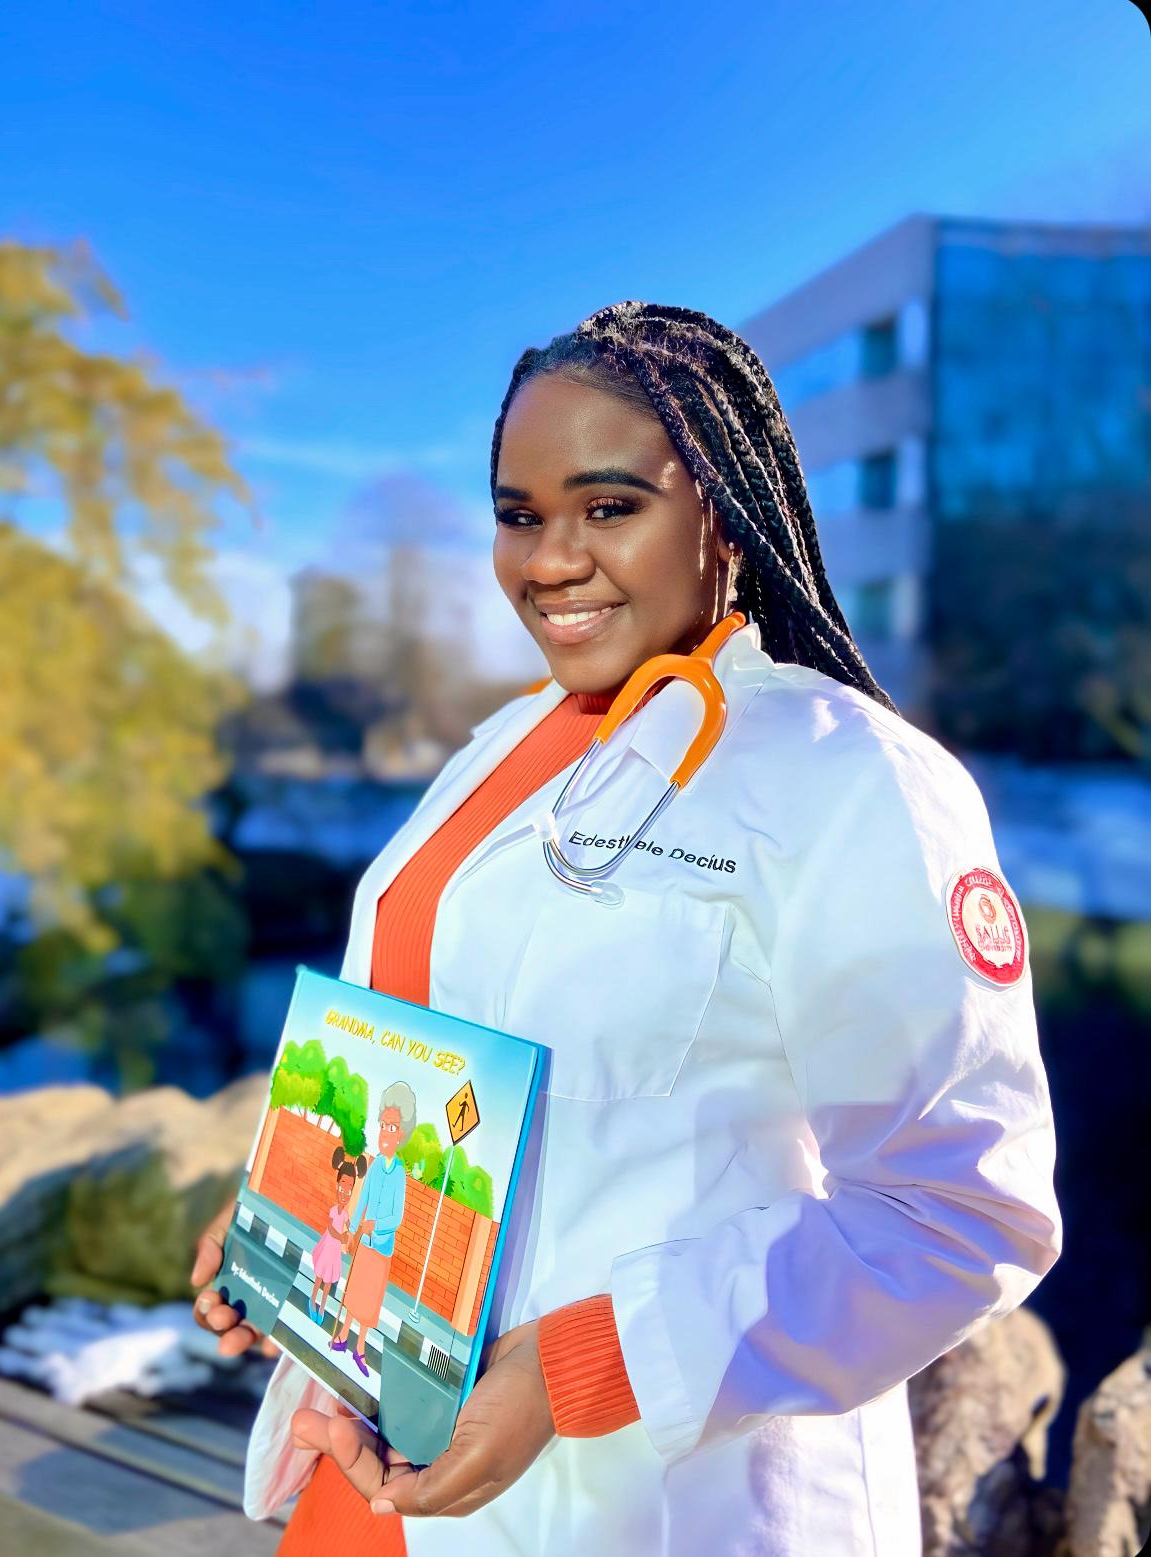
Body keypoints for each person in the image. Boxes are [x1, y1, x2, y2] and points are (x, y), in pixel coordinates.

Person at [192, 302, 1061, 1556]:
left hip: (642, 1504)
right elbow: (431, 1051)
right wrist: (297, 1214)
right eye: (520, 514)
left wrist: (577, 1370)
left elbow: (960, 1215)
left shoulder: (849, 779)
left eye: (609, 507)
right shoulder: (504, 745)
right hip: (377, 1470)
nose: (551, 560)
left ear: (725, 511)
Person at [329, 1085, 415, 1375]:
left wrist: (374, 1227)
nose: (385, 1133)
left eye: (392, 1127)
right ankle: (343, 1335)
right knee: (354, 1290)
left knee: (369, 1299)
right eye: (383, 1125)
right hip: (363, 1244)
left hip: (380, 1247)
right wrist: (352, 1231)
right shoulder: (376, 1166)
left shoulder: (399, 1173)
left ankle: (360, 1348)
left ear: (401, 1134)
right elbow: (363, 1199)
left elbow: (397, 1217)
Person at [309, 1147, 362, 1323]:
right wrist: (342, 1238)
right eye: (342, 1187)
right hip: (328, 1246)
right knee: (319, 1277)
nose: (345, 1193)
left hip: (335, 1251)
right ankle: (312, 1299)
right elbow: (331, 1229)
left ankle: (322, 1306)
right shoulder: (334, 1210)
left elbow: (349, 1227)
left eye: (349, 1190)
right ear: (337, 1184)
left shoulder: (345, 1213)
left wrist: (351, 1236)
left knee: (328, 1282)